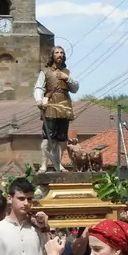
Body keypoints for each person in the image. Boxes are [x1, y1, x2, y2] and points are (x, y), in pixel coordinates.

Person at [34, 45, 79, 173]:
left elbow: (75, 88)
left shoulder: (67, 72)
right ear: (52, 56)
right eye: (57, 53)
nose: (60, 55)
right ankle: (44, 164)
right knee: (48, 136)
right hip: (51, 104)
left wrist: (67, 78)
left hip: (64, 104)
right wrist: (39, 99)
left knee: (61, 138)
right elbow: (39, 87)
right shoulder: (46, 71)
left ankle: (58, 164)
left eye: (62, 53)